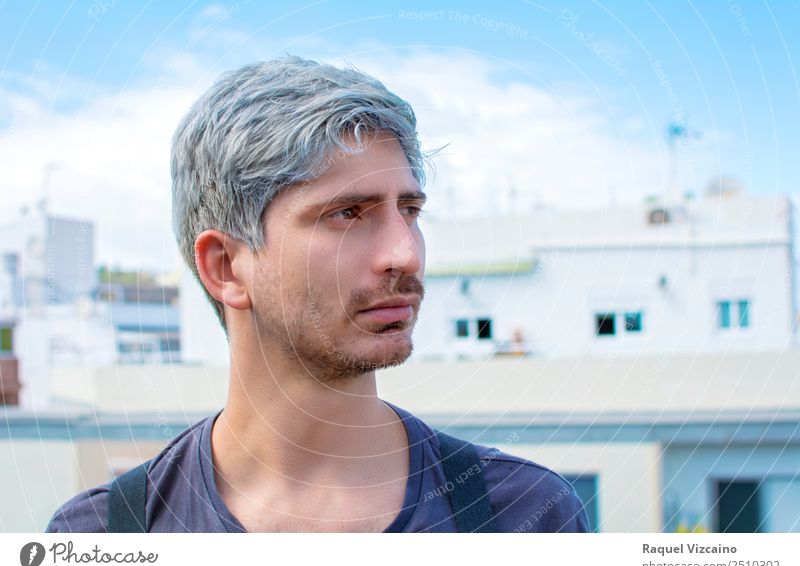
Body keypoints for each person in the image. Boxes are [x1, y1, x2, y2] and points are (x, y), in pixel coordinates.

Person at [45, 55, 589, 533]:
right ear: (226, 267)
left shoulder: (523, 518)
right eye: (348, 214)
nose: (405, 253)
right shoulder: (105, 540)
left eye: (410, 210)